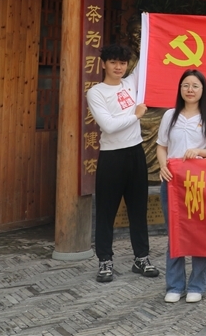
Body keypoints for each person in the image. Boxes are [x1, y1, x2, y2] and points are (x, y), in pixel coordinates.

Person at [86, 43, 157, 283]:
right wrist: (135, 115)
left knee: (139, 209)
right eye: (113, 62)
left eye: (123, 63)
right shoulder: (96, 92)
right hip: (112, 157)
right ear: (103, 64)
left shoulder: (129, 83)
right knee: (106, 211)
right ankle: (105, 261)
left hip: (136, 153)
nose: (118, 67)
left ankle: (141, 258)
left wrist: (153, 31)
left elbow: (146, 60)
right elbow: (108, 126)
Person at [156, 69, 206, 303]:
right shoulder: (170, 116)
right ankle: (174, 285)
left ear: (203, 90)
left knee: (199, 234)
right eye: (185, 85)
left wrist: (200, 152)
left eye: (195, 86)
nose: (190, 90)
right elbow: (161, 146)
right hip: (172, 183)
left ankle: (197, 285)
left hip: (198, 185)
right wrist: (163, 166)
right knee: (175, 233)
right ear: (180, 89)